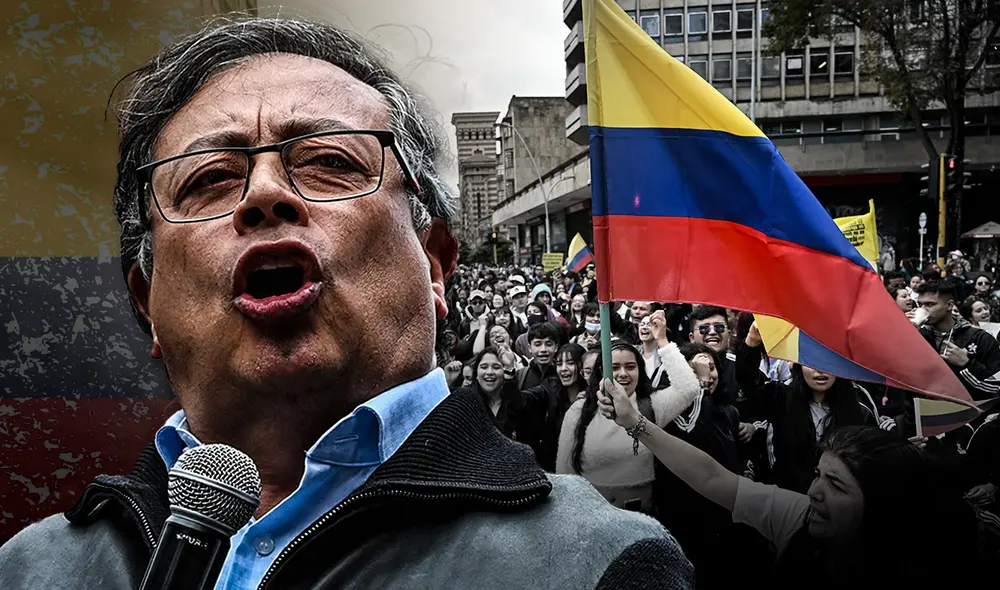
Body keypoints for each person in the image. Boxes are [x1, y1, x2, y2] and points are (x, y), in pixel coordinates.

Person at [0, 17, 696, 590]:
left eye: (331, 161)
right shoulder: (34, 570)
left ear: (435, 265)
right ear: (145, 300)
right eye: (210, 178)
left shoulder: (592, 566)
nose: (266, 195)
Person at [597, 383, 979, 588]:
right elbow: (713, 477)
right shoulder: (798, 518)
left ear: (882, 505)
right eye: (817, 475)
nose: (814, 492)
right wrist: (636, 424)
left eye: (836, 486)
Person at [557, 339, 701, 514]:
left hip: (642, 515)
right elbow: (564, 471)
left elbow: (689, 388)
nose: (623, 374)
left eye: (630, 367)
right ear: (602, 371)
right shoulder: (579, 410)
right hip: (590, 516)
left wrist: (663, 341)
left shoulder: (653, 405)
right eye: (615, 367)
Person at [737, 322, 878, 493]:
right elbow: (748, 381)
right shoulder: (781, 397)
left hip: (840, 502)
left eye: (828, 363)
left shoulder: (859, 407)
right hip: (789, 498)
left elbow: (873, 456)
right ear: (798, 365)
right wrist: (752, 340)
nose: (820, 371)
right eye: (812, 362)